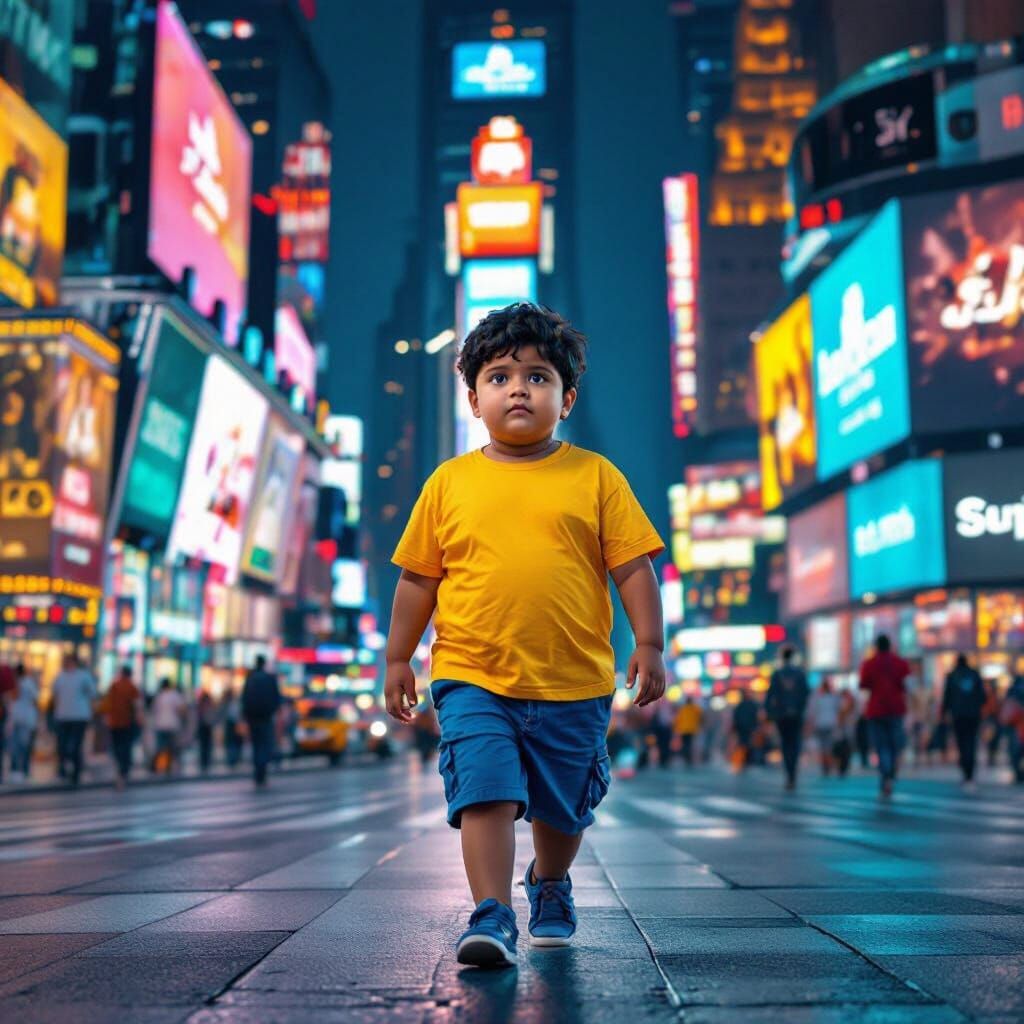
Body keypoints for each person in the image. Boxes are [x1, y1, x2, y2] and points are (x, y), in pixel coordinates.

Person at [383, 304, 665, 969]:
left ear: (566, 399)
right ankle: (492, 914)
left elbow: (633, 567)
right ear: (474, 398)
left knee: (563, 810)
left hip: (575, 679)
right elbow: (418, 581)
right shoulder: (449, 483)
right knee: (484, 788)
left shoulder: (595, 477)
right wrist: (399, 656)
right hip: (472, 676)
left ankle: (549, 879)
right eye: (500, 376)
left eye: (538, 378)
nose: (518, 388)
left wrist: (648, 644)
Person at [859, 634, 910, 798]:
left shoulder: (869, 664)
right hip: (896, 709)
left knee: (881, 746)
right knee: (895, 744)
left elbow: (863, 684)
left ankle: (886, 774)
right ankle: (891, 771)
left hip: (876, 710)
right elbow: (907, 685)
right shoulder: (900, 663)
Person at [765, 647, 810, 791]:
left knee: (785, 744)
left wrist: (770, 713)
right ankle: (793, 772)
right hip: (796, 715)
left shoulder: (777, 674)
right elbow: (806, 694)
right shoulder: (800, 674)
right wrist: (801, 710)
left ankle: (789, 772)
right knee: (795, 742)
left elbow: (770, 695)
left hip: (781, 715)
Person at [941, 653, 987, 789]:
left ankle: (966, 771)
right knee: (971, 743)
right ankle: (970, 772)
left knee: (962, 743)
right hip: (973, 715)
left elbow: (946, 697)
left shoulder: (952, 676)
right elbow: (982, 697)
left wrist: (944, 713)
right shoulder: (975, 675)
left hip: (958, 715)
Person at [52, 654, 97, 786]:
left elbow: (92, 694)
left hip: (79, 716)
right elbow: (55, 695)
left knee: (76, 746)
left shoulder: (84, 676)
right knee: (62, 746)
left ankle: (75, 773)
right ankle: (64, 771)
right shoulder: (60, 677)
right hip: (63, 716)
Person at [241, 655, 281, 787]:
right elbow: (277, 699)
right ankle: (262, 772)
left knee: (256, 745)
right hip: (266, 717)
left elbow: (244, 698)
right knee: (265, 744)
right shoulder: (270, 679)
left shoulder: (250, 678)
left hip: (253, 718)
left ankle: (258, 773)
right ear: (264, 664)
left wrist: (245, 716)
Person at [103, 665, 141, 789]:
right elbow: (137, 706)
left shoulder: (114, 686)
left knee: (117, 746)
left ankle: (120, 769)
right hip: (127, 722)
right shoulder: (132, 687)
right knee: (126, 747)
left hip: (114, 722)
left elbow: (107, 704)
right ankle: (123, 771)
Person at [8, 664, 39, 778]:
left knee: (21, 746)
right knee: (18, 746)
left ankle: (21, 771)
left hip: (23, 719)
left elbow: (33, 699)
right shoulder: (26, 683)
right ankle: (19, 770)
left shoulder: (25, 683)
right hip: (21, 719)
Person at [150, 678, 186, 774]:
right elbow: (182, 710)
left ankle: (156, 766)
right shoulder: (175, 695)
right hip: (173, 725)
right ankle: (168, 767)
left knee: (160, 747)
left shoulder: (159, 696)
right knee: (172, 747)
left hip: (160, 725)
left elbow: (154, 711)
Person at [808, 677, 841, 776]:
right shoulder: (834, 698)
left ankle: (825, 766)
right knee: (828, 746)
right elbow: (838, 711)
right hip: (830, 724)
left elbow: (812, 712)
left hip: (821, 724)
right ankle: (828, 765)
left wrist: (810, 724)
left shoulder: (817, 698)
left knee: (823, 746)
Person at [1001, 673, 1024, 784]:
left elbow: (1006, 708)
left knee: (1014, 750)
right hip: (1018, 724)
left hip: (1014, 724)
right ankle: (1019, 772)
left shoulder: (1011, 691)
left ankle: (1017, 772)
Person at [731, 691, 760, 771]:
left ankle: (744, 760)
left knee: (743, 743)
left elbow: (736, 716)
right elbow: (755, 716)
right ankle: (746, 761)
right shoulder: (752, 705)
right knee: (747, 743)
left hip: (743, 727)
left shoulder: (741, 705)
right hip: (748, 727)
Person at [673, 696, 703, 767]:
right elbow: (701, 718)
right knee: (690, 744)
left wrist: (676, 729)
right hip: (693, 729)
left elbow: (678, 720)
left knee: (685, 744)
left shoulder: (682, 709)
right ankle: (689, 757)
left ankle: (686, 757)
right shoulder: (696, 708)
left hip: (684, 729)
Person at [195, 687, 219, 772]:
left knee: (203, 744)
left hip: (203, 726)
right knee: (207, 744)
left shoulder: (200, 704)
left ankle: (204, 760)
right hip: (208, 726)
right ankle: (206, 760)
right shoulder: (209, 703)